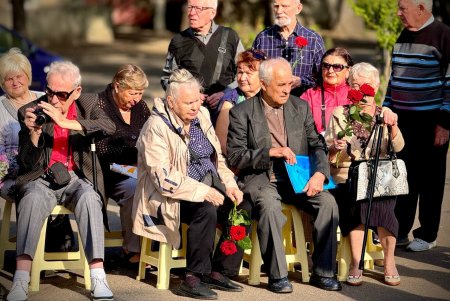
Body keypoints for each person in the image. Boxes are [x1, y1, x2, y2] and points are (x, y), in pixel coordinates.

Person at [133, 69, 250, 300]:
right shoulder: (156, 126)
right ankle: (193, 277)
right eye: (188, 102)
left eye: (198, 100)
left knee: (243, 208)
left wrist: (230, 185)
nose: (195, 106)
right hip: (169, 196)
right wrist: (202, 191)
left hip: (208, 184)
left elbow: (216, 160)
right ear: (171, 101)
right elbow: (163, 178)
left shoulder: (203, 116)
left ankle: (218, 270)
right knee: (205, 210)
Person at [227, 58, 341, 293]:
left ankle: (324, 271)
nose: (287, 89)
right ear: (264, 84)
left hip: (297, 178)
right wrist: (270, 152)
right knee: (269, 207)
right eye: (281, 85)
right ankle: (277, 276)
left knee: (328, 203)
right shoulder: (242, 112)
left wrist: (320, 174)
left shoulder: (299, 107)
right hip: (262, 178)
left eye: (289, 83)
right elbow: (236, 157)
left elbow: (317, 145)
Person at [7, 61, 116, 301]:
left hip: (77, 177)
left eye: (62, 94)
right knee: (32, 199)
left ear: (76, 91)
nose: (54, 100)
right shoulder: (30, 109)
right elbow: (26, 162)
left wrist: (66, 123)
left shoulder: (88, 103)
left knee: (90, 198)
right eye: (50, 91)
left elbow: (109, 126)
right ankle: (21, 279)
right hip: (41, 177)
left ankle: (98, 276)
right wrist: (33, 133)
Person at [325, 62, 404, 286]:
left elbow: (398, 147)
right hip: (349, 175)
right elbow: (331, 152)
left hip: (380, 176)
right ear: (349, 86)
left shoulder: (384, 114)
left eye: (367, 85)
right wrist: (336, 147)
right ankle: (355, 263)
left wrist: (393, 127)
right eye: (356, 85)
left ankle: (389, 262)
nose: (362, 91)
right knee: (357, 206)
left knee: (383, 205)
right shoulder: (341, 113)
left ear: (377, 87)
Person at [384, 0, 450, 252]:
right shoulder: (403, 35)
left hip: (431, 120)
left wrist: (444, 123)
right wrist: (387, 108)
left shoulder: (444, 36)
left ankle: (428, 233)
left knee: (431, 179)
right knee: (402, 175)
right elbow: (394, 77)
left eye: (403, 8)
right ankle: (399, 231)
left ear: (421, 9)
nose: (398, 13)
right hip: (402, 119)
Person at [96, 64, 151, 264]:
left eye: (140, 93)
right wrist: (133, 163)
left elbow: (150, 136)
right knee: (135, 186)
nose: (136, 98)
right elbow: (103, 151)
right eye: (133, 93)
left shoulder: (140, 107)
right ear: (118, 86)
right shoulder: (99, 104)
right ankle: (133, 249)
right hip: (105, 170)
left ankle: (153, 243)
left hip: (134, 168)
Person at [160, 0, 244, 117]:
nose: (191, 13)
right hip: (191, 115)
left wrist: (226, 93)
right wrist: (191, 95)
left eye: (198, 9)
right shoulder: (178, 41)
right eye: (190, 7)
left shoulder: (230, 36)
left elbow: (245, 74)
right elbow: (167, 79)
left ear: (212, 13)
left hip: (226, 112)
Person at [252, 0, 325, 96]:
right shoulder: (263, 38)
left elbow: (323, 76)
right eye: (276, 6)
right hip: (269, 102)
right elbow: (252, 71)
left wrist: (300, 81)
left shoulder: (313, 39)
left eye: (284, 6)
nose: (279, 11)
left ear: (298, 8)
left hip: (302, 104)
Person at [0, 48, 44, 202]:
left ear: (28, 76)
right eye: (9, 79)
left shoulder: (45, 99)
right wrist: (21, 167)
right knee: (33, 193)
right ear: (2, 83)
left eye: (19, 76)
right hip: (12, 176)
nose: (15, 82)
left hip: (47, 170)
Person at [215, 48, 266, 154]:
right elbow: (222, 142)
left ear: (262, 76)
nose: (242, 78)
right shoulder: (230, 101)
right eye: (240, 72)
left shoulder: (269, 96)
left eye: (248, 73)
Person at [300, 47, 353, 135]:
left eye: (337, 67)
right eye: (326, 66)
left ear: (348, 71)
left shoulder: (356, 95)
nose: (330, 71)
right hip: (317, 146)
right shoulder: (309, 95)